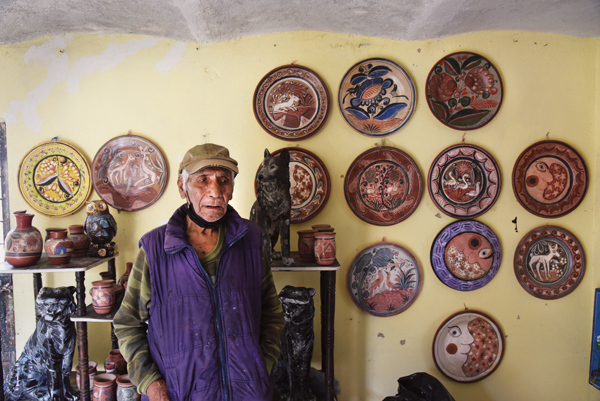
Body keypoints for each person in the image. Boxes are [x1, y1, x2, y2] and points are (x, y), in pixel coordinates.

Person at [113, 143, 285, 401]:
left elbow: (272, 314)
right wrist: (150, 382)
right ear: (183, 189)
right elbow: (127, 324)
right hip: (179, 394)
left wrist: (262, 365)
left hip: (248, 393)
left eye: (223, 180)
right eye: (202, 180)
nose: (215, 192)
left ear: (232, 188)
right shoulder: (155, 249)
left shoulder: (251, 240)